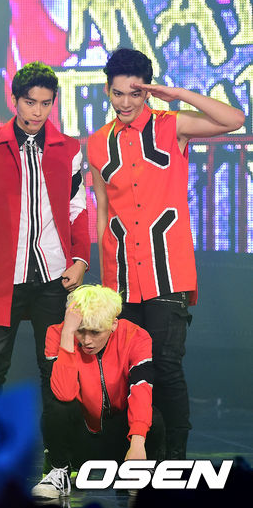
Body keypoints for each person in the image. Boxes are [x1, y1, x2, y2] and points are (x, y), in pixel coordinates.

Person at [88, 48, 245, 459]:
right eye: (118, 93)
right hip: (122, 276)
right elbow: (103, 211)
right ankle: (140, 451)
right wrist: (106, 284)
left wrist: (176, 94)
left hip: (167, 270)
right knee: (131, 370)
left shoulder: (171, 126)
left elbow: (235, 119)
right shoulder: (98, 143)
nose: (125, 102)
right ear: (107, 90)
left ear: (147, 92)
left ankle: (175, 458)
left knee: (167, 366)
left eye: (134, 93)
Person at [0, 61, 90, 402]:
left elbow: (77, 209)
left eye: (45, 103)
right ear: (14, 100)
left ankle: (57, 436)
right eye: (30, 102)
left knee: (53, 364)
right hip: (3, 273)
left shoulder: (69, 148)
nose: (37, 111)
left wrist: (81, 260)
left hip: (53, 273)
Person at [32, 284, 164, 498]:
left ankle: (136, 471)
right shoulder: (58, 333)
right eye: (80, 330)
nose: (86, 341)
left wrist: (138, 442)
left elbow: (140, 389)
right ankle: (60, 471)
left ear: (113, 324)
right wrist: (68, 333)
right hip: (79, 441)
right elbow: (64, 393)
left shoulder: (135, 336)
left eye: (95, 332)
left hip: (120, 441)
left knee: (153, 418)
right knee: (56, 406)